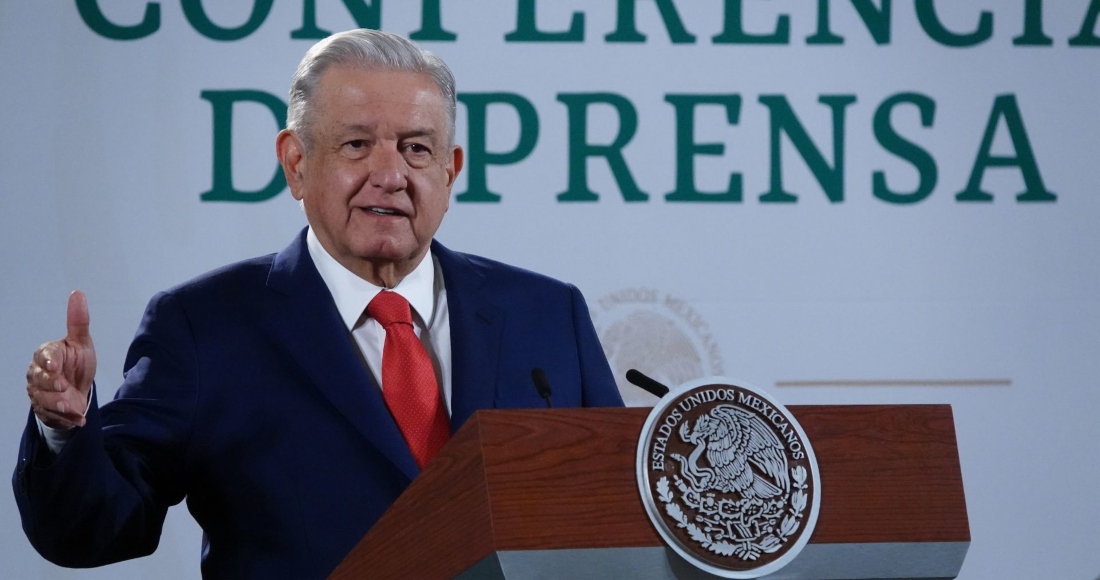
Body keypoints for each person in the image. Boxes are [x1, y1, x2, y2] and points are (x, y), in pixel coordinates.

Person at [15, 29, 623, 579]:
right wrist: (66, 430)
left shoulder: (549, 315)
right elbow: (94, 528)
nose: (390, 174)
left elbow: (616, 518)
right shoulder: (205, 326)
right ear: (296, 163)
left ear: (450, 169)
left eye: (416, 148)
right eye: (356, 145)